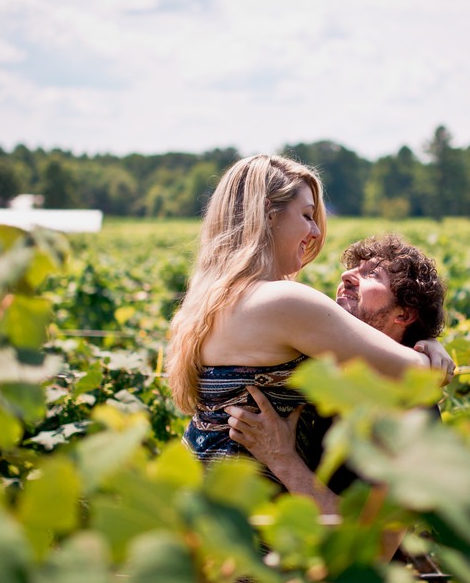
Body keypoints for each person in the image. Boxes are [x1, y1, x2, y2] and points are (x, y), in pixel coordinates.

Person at [166, 155, 455, 503]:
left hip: (205, 503)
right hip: (254, 523)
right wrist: (429, 350)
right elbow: (419, 377)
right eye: (306, 215)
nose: (316, 231)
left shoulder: (205, 303)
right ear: (268, 213)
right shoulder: (283, 301)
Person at [221, 234, 447, 515]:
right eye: (353, 268)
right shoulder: (322, 377)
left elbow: (375, 543)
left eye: (372, 274)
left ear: (403, 315)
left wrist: (283, 460)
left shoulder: (411, 415)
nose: (346, 275)